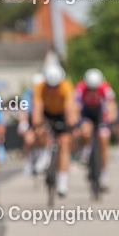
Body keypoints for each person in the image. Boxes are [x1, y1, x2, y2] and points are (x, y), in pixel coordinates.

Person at [32, 63, 77, 197]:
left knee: (64, 143)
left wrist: (71, 124)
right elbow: (37, 107)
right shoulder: (40, 87)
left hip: (61, 114)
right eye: (50, 86)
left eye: (55, 86)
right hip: (47, 113)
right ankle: (42, 155)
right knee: (39, 131)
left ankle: (62, 182)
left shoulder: (66, 86)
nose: (52, 89)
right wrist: (37, 124)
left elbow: (70, 108)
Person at [74, 68, 117, 189]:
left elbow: (112, 106)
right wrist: (75, 124)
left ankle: (104, 175)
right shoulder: (80, 88)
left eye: (95, 89)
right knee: (86, 131)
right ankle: (85, 152)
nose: (93, 91)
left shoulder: (106, 88)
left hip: (99, 113)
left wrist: (110, 121)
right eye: (91, 89)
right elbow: (75, 107)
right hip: (86, 112)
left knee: (104, 140)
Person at [20, 73, 44, 176]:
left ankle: (43, 157)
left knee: (42, 135)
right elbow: (23, 110)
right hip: (30, 119)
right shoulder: (28, 94)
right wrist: (23, 123)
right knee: (29, 140)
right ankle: (28, 161)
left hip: (43, 120)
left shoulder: (46, 93)